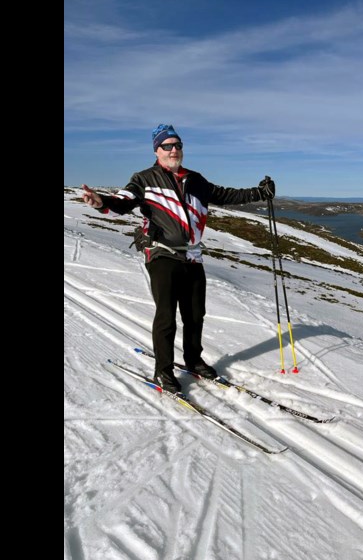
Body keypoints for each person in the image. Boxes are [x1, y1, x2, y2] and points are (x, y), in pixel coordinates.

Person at [80, 123, 276, 394]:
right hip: (162, 253)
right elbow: (123, 201)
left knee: (195, 314)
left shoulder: (196, 180)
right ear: (157, 150)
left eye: (178, 145)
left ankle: (193, 360)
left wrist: (258, 193)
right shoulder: (145, 178)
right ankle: (163, 370)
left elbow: (226, 195)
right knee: (166, 315)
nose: (174, 150)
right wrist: (101, 202)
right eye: (167, 146)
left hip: (192, 256)